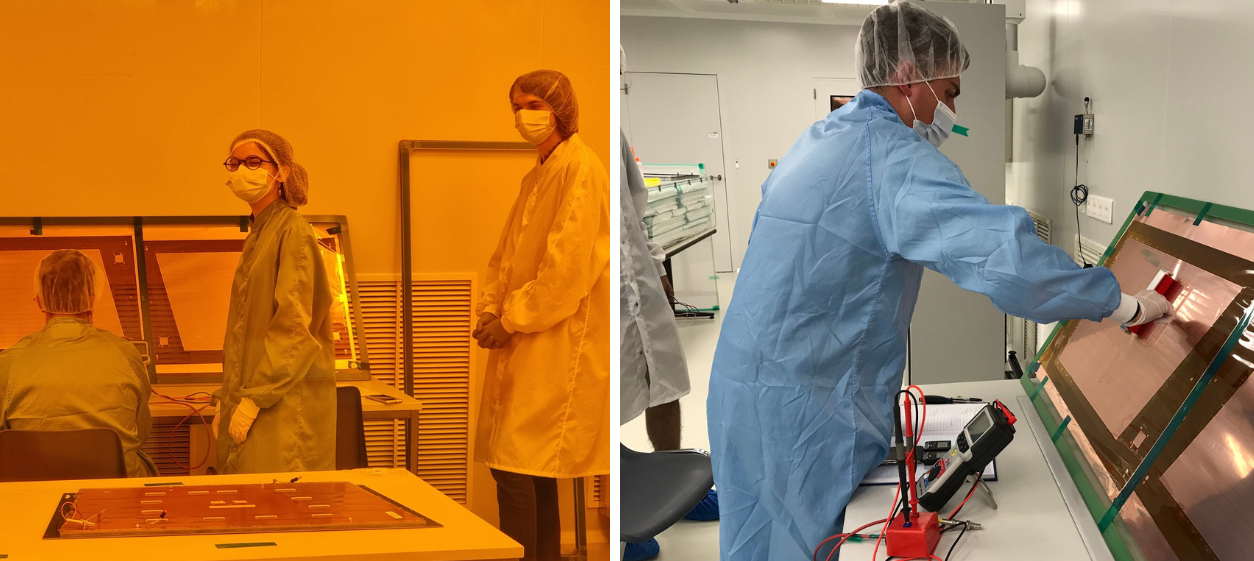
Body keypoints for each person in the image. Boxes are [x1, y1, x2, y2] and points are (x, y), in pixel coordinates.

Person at [704, 3, 1172, 560]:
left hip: (745, 388)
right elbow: (1006, 259)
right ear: (907, 77)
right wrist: (1124, 305)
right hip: (802, 413)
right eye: (948, 91)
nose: (951, 108)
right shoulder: (889, 157)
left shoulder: (821, 137)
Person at [472, 69, 609, 561]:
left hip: (556, 341)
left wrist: (509, 319)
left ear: (560, 110)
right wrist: (491, 309)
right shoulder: (538, 174)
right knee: (529, 466)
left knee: (517, 465)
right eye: (516, 106)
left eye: (532, 104)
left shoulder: (582, 168)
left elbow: (565, 272)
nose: (522, 116)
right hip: (525, 334)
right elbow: (505, 257)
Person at [617, 47, 710, 561]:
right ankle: (621, 519)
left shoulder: (617, 135)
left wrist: (655, 266)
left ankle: (674, 476)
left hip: (642, 286)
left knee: (666, 379)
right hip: (606, 296)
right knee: (602, 407)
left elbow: (638, 206)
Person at [213, 129, 337, 474]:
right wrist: (230, 398)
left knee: (277, 507)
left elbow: (294, 329)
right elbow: (246, 333)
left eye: (253, 162)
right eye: (234, 163)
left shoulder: (292, 231)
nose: (241, 171)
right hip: (261, 394)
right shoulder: (260, 233)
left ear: (280, 171)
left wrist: (254, 399)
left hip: (282, 403)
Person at [0, 250, 158, 477]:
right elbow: (141, 430)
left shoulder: (9, 361)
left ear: (39, 301)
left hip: (35, 494)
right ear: (92, 299)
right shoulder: (125, 354)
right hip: (113, 493)